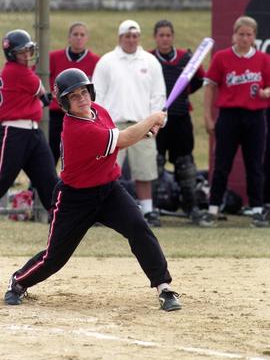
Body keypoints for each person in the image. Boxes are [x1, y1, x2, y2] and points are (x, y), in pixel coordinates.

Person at [4, 68, 181, 312]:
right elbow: (123, 138)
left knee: (138, 227)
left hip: (109, 191)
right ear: (65, 103)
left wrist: (145, 132)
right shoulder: (76, 129)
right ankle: (19, 282)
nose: (82, 98)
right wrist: (151, 119)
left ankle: (164, 287)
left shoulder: (100, 113)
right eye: (74, 96)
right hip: (75, 199)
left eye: (84, 91)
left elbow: (121, 137)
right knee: (54, 258)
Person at [92, 20, 166, 227]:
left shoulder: (150, 62)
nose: (131, 40)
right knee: (106, 172)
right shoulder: (107, 61)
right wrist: (99, 124)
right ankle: (101, 211)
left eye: (135, 36)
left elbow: (158, 95)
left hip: (143, 125)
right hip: (112, 127)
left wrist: (156, 121)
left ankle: (149, 211)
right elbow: (98, 95)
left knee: (145, 172)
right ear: (120, 37)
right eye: (127, 36)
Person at [203, 16, 270, 227]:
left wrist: (265, 92)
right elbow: (210, 86)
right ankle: (213, 209)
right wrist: (207, 116)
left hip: (255, 117)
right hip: (229, 116)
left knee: (254, 165)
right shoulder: (222, 58)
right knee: (222, 165)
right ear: (234, 35)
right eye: (241, 34)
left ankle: (257, 210)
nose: (244, 38)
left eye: (249, 34)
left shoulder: (263, 59)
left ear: (254, 37)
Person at [150, 19, 205, 224]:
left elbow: (199, 79)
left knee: (186, 165)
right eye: (161, 35)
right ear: (155, 37)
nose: (165, 39)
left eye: (168, 35)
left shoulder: (186, 58)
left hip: (181, 118)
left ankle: (192, 209)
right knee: (155, 164)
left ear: (173, 36)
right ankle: (152, 209)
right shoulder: (148, 58)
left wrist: (182, 96)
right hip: (155, 119)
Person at [0, 29, 58, 213]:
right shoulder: (16, 71)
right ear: (11, 54)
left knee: (50, 183)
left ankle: (64, 221)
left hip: (33, 133)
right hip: (14, 132)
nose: (27, 55)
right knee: (2, 180)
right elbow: (42, 94)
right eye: (21, 52)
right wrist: (40, 102)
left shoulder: (20, 72)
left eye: (28, 50)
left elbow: (38, 103)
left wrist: (38, 103)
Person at [49, 22, 100, 165]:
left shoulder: (95, 61)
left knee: (79, 156)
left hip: (82, 115)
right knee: (50, 154)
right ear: (69, 38)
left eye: (82, 35)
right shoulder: (53, 57)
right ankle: (38, 186)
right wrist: (51, 93)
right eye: (75, 34)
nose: (79, 38)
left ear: (87, 38)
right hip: (57, 114)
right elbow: (38, 75)